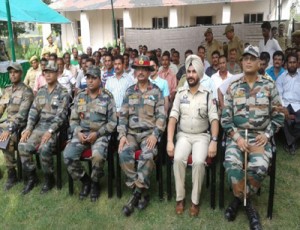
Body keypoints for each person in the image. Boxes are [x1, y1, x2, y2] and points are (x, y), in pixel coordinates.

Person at [221, 45, 284, 229]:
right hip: (238, 137)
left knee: (259, 168)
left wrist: (267, 134)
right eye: (245, 58)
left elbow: (279, 115)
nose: (248, 61)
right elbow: (226, 119)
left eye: (252, 58)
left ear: (259, 63)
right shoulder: (233, 87)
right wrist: (237, 138)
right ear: (241, 62)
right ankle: (249, 206)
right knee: (232, 167)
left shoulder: (268, 85)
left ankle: (238, 201)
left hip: (259, 138)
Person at [167, 54, 219, 217]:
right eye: (188, 71)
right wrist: (169, 141)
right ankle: (180, 198)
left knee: (198, 162)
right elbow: (173, 118)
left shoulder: (208, 94)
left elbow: (214, 119)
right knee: (177, 159)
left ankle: (195, 201)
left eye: (194, 72)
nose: (190, 75)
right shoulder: (181, 93)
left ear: (200, 74)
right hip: (183, 135)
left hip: (202, 137)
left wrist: (214, 141)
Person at [118, 56, 166, 216]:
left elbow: (161, 117)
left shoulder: (156, 91)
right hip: (131, 134)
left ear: (148, 72)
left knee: (147, 154)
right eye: (137, 69)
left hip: (148, 135)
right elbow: (123, 116)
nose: (140, 72)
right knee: (123, 152)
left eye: (144, 69)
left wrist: (155, 135)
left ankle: (135, 197)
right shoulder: (129, 91)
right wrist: (122, 135)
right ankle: (141, 190)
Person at [64, 66, 117, 202]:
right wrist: (78, 132)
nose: (90, 81)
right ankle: (85, 180)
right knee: (68, 155)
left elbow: (112, 122)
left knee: (98, 157)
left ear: (100, 80)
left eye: (94, 78)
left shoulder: (107, 97)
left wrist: (98, 133)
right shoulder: (80, 96)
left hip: (100, 135)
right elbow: (74, 120)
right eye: (88, 78)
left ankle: (95, 183)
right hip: (82, 134)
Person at [18, 62, 70, 195]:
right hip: (39, 127)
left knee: (44, 148)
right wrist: (29, 128)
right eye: (45, 72)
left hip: (56, 130)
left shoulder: (63, 92)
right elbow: (33, 112)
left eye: (51, 72)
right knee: (22, 144)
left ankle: (49, 178)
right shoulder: (41, 91)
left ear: (57, 74)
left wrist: (50, 131)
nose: (47, 75)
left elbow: (61, 116)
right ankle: (32, 177)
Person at [0, 63, 34, 191]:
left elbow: (22, 115)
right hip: (7, 123)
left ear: (21, 73)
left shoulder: (27, 91)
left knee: (5, 139)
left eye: (15, 72)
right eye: (10, 72)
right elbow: (1, 107)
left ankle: (12, 174)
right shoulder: (7, 90)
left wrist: (9, 130)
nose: (12, 74)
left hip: (20, 126)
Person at [276, 53, 300, 154]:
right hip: (285, 104)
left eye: (294, 62)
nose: (292, 64)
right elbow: (279, 95)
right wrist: (282, 107)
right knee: (285, 118)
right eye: (290, 62)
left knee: (298, 120)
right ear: (286, 64)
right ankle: (292, 144)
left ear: (298, 63)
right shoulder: (281, 78)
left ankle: (290, 142)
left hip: (298, 105)